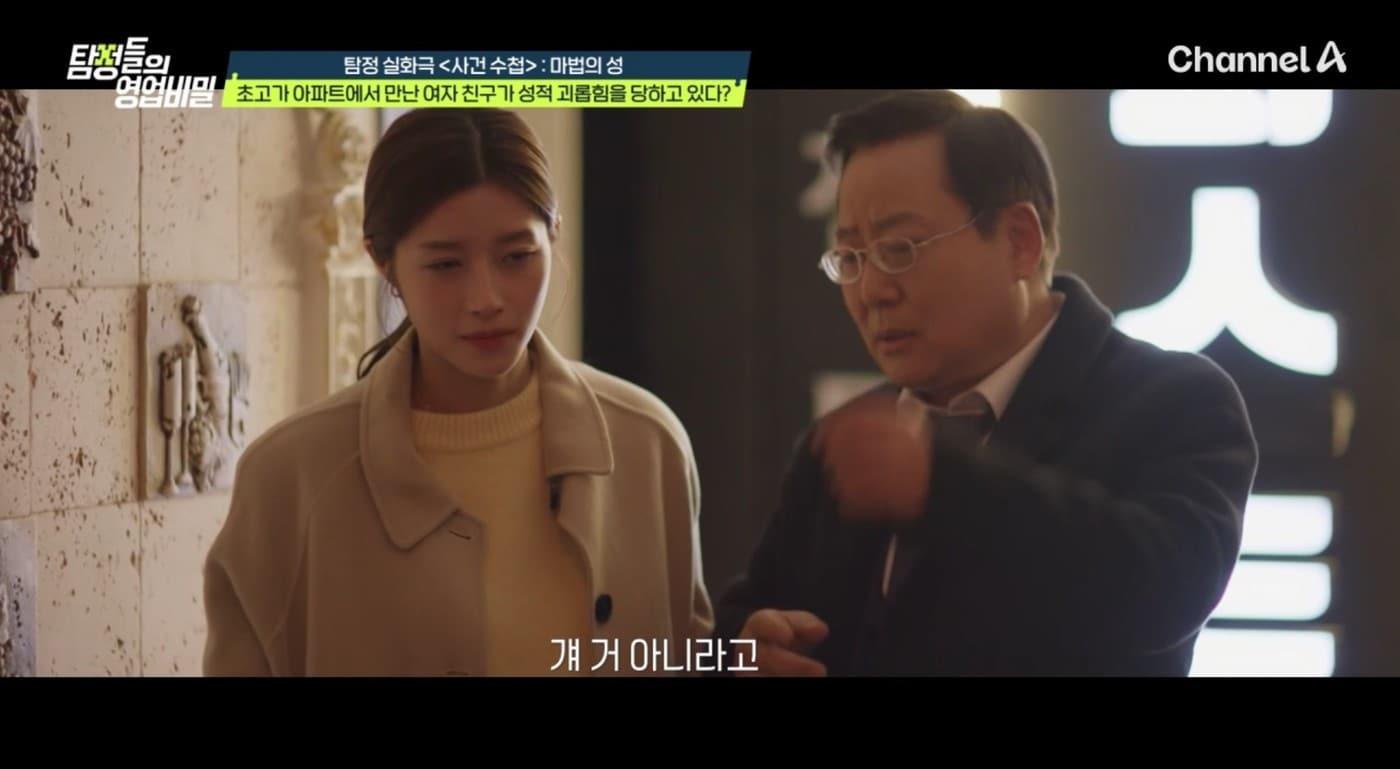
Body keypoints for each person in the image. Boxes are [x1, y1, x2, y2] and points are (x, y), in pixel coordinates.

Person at [714, 91, 1258, 676]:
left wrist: (942, 485)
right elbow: (742, 620)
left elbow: (1161, 594)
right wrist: (742, 651)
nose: (871, 291)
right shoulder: (845, 442)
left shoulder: (1174, 401)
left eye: (900, 249)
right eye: (850, 257)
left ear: (1019, 240)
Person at [204, 108, 712, 675]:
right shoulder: (290, 479)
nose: (486, 299)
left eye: (516, 257)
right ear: (383, 261)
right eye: (446, 264)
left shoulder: (647, 445)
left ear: (554, 234)